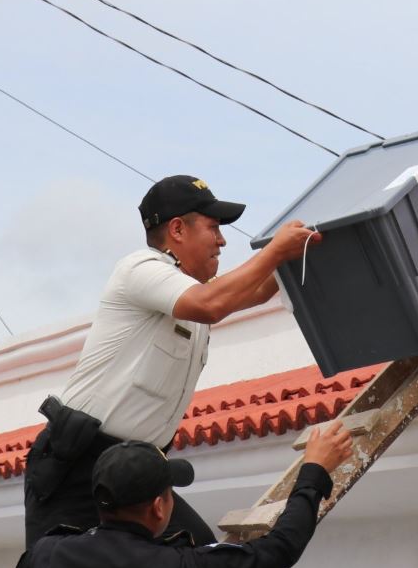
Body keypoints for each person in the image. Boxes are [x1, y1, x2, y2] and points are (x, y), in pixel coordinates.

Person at [24, 175, 322, 549]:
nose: (223, 240)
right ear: (178, 229)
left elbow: (255, 290)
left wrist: (308, 248)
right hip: (79, 465)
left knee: (197, 550)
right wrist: (274, 252)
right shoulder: (140, 268)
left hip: (139, 470)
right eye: (214, 227)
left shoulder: (194, 297)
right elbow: (211, 304)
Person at [17, 421, 354, 568]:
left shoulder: (46, 553)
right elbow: (280, 548)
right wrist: (314, 471)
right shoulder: (180, 564)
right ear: (158, 507)